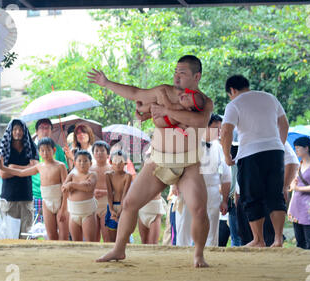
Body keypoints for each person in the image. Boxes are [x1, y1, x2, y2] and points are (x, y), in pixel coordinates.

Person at [89, 55, 213, 267]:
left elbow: (199, 121)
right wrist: (107, 83)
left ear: (196, 76)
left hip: (188, 163)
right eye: (175, 72)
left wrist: (166, 110)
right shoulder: (162, 91)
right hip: (158, 160)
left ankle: (198, 254)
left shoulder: (204, 102)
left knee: (199, 209)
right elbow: (135, 92)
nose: (176, 76)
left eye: (182, 73)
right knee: (129, 203)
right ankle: (119, 249)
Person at [221, 74, 289, 248]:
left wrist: (227, 155)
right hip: (275, 152)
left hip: (250, 154)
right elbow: (284, 124)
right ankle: (278, 239)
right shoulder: (270, 98)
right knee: (275, 195)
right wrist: (279, 144)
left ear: (232, 90)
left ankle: (258, 239)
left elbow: (226, 131)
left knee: (252, 197)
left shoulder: (234, 104)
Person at [176, 113, 231, 247]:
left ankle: (209, 256)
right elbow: (178, 168)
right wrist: (177, 186)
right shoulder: (190, 144)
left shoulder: (219, 147)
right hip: (191, 189)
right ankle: (181, 257)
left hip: (212, 190)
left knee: (211, 230)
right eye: (215, 128)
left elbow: (226, 177)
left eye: (220, 128)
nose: (219, 132)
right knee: (185, 227)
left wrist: (224, 200)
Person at [0, 138, 68, 240]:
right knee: (52, 235)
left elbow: (66, 189)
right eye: (42, 150)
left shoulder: (60, 166)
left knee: (63, 236)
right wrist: (3, 168)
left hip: (60, 201)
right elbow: (21, 173)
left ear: (53, 150)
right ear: (39, 152)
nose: (45, 153)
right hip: (47, 202)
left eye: (48, 150)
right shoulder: (40, 166)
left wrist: (63, 208)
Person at [0, 119, 39, 239]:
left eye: (20, 129)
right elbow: (3, 174)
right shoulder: (4, 147)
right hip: (9, 198)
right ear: (10, 131)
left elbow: (36, 168)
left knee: (26, 235)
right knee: (9, 236)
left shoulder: (31, 145)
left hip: (26, 196)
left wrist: (12, 167)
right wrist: (25, 170)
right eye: (15, 129)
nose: (18, 132)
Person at [287, 137, 310, 250]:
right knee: (300, 241)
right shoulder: (299, 165)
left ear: (306, 148)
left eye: (298, 148)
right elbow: (294, 185)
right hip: (296, 205)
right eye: (295, 148)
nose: (296, 150)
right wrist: (293, 185)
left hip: (309, 207)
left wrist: (298, 188)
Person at [32, 118, 68, 226]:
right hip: (36, 194)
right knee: (36, 230)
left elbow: (64, 171)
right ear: (37, 131)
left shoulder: (57, 149)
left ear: (51, 130)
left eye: (47, 128)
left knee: (57, 228)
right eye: (41, 128)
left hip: (57, 196)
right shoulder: (31, 148)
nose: (44, 130)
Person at [62, 150, 98, 242]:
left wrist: (72, 185)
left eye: (85, 161)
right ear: (74, 163)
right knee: (76, 242)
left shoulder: (92, 175)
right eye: (79, 161)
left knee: (90, 242)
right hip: (73, 213)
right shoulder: (71, 175)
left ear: (91, 163)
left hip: (88, 213)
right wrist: (77, 185)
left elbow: (88, 187)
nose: (82, 163)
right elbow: (64, 189)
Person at [105, 150, 133, 242]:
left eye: (120, 161)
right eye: (115, 161)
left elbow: (125, 194)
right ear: (111, 162)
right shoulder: (108, 175)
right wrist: (111, 210)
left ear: (125, 163)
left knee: (125, 236)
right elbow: (109, 193)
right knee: (112, 237)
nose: (118, 164)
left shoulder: (127, 176)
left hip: (123, 206)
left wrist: (122, 208)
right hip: (112, 205)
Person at [90, 140, 112, 242]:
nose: (99, 153)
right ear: (93, 154)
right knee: (93, 237)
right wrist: (92, 192)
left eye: (102, 151)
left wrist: (105, 192)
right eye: (96, 151)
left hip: (106, 204)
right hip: (93, 204)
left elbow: (118, 189)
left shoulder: (112, 169)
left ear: (108, 154)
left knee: (107, 236)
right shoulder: (89, 169)